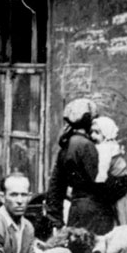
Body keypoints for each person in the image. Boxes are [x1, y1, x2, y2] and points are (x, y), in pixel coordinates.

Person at [44, 97, 114, 234]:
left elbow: (55, 186)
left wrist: (56, 220)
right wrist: (121, 182)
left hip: (76, 210)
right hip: (94, 211)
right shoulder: (87, 145)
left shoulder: (66, 146)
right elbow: (99, 182)